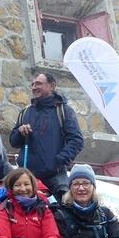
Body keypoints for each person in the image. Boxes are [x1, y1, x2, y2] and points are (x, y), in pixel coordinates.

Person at [9, 73, 84, 202]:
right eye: (33, 84)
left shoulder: (64, 111)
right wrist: (20, 132)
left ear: (52, 86)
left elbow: (77, 141)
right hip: (28, 179)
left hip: (55, 177)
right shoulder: (26, 112)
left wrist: (57, 162)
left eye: (38, 83)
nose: (34, 87)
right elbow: (13, 142)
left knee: (65, 207)